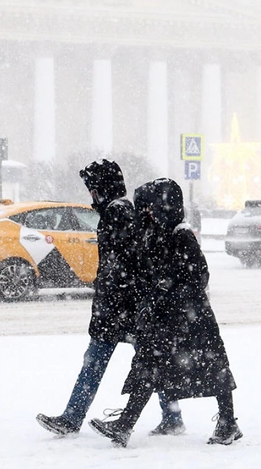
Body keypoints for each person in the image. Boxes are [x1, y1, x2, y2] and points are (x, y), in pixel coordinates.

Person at [37, 160, 184, 437]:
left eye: (92, 189)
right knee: (151, 363)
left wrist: (115, 296)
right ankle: (172, 417)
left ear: (102, 189)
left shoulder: (117, 213)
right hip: (124, 306)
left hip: (119, 308)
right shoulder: (120, 210)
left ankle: (72, 418)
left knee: (99, 363)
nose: (90, 195)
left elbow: (127, 262)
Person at [90, 178, 241, 447]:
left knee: (213, 369)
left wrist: (169, 289)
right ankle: (125, 424)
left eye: (149, 207)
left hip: (191, 318)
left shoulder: (180, 235)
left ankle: (228, 422)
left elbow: (199, 275)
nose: (145, 212)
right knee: (148, 366)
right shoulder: (155, 234)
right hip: (165, 317)